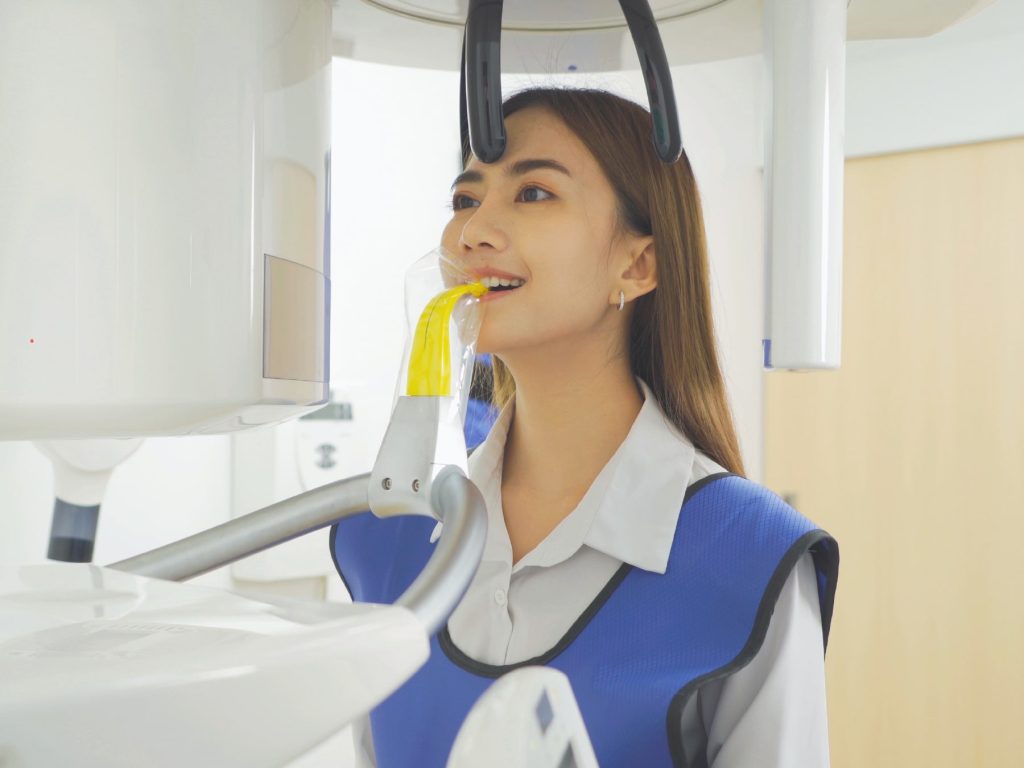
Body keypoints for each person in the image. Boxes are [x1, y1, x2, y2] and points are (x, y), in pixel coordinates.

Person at [331, 87, 839, 768]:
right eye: (464, 199)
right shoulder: (386, 535)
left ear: (637, 265)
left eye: (533, 193)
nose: (471, 232)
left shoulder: (748, 559)